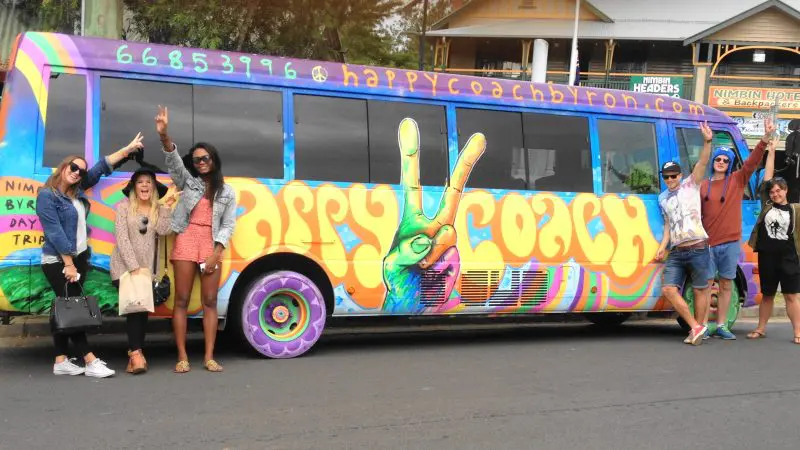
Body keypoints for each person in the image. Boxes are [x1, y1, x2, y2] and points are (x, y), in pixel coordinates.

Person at [36, 134, 145, 377]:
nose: (77, 173)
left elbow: (101, 167)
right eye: (73, 168)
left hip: (79, 260)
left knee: (64, 308)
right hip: (58, 261)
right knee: (74, 309)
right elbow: (54, 232)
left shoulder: (77, 191)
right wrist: (68, 264)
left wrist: (127, 150)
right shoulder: (47, 196)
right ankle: (90, 360)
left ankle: (61, 360)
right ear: (64, 167)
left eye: (80, 172)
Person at [155, 105, 237, 373]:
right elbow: (173, 161)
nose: (201, 162)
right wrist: (165, 136)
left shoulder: (227, 191)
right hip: (187, 240)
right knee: (181, 299)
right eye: (197, 159)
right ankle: (182, 356)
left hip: (211, 245)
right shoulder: (187, 182)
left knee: (210, 302)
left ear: (214, 159)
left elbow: (228, 224)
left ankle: (209, 356)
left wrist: (216, 252)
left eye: (206, 158)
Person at [699, 119, 774, 340]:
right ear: (713, 161)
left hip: (731, 242)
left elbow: (752, 162)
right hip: (708, 243)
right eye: (718, 159)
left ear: (730, 164)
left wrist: (765, 138)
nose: (721, 162)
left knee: (725, 284)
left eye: (725, 160)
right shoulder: (703, 186)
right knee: (705, 286)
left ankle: (722, 325)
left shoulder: (737, 180)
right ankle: (702, 325)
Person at [110, 167, 178, 374]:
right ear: (134, 187)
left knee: (140, 312)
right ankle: (136, 355)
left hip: (147, 270)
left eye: (149, 182)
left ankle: (135, 355)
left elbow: (166, 230)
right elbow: (121, 238)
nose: (145, 185)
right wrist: (134, 268)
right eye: (140, 182)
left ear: (154, 188)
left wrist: (166, 207)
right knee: (135, 312)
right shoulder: (123, 207)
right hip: (124, 267)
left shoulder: (157, 209)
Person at [654, 122, 714, 345]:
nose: (670, 180)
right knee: (669, 289)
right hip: (677, 251)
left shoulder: (691, 184)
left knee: (700, 291)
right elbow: (668, 224)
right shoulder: (662, 198)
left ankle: (697, 329)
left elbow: (703, 162)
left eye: (673, 176)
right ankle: (696, 326)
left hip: (698, 247)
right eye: (666, 177)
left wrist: (707, 141)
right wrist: (663, 246)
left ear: (680, 175)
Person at [746, 137, 800, 343]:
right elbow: (768, 177)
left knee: (791, 296)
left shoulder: (795, 210)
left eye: (779, 190)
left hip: (789, 257)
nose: (775, 193)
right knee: (767, 294)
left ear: (786, 191)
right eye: (773, 191)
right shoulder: (768, 205)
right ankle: (760, 329)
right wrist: (771, 151)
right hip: (767, 256)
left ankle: (798, 332)